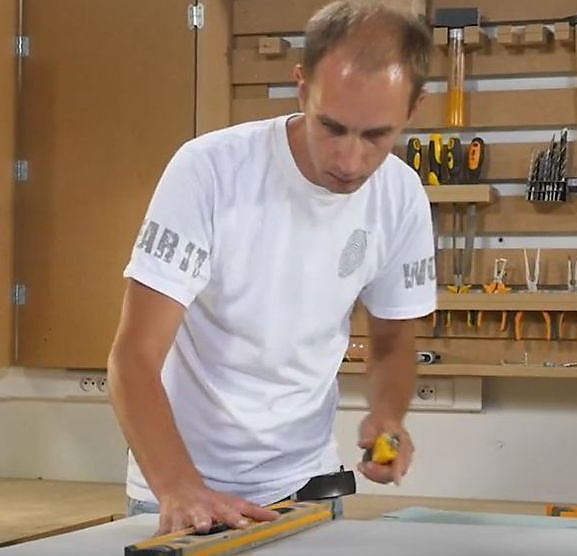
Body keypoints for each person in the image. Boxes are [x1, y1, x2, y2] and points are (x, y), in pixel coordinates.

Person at [106, 0, 436, 536]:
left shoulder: (400, 196)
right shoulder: (209, 171)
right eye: (331, 127)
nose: (349, 161)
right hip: (181, 488)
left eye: (376, 135)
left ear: (414, 108)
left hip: (307, 487)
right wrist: (177, 485)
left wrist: (387, 416)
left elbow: (394, 342)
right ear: (302, 89)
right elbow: (133, 357)